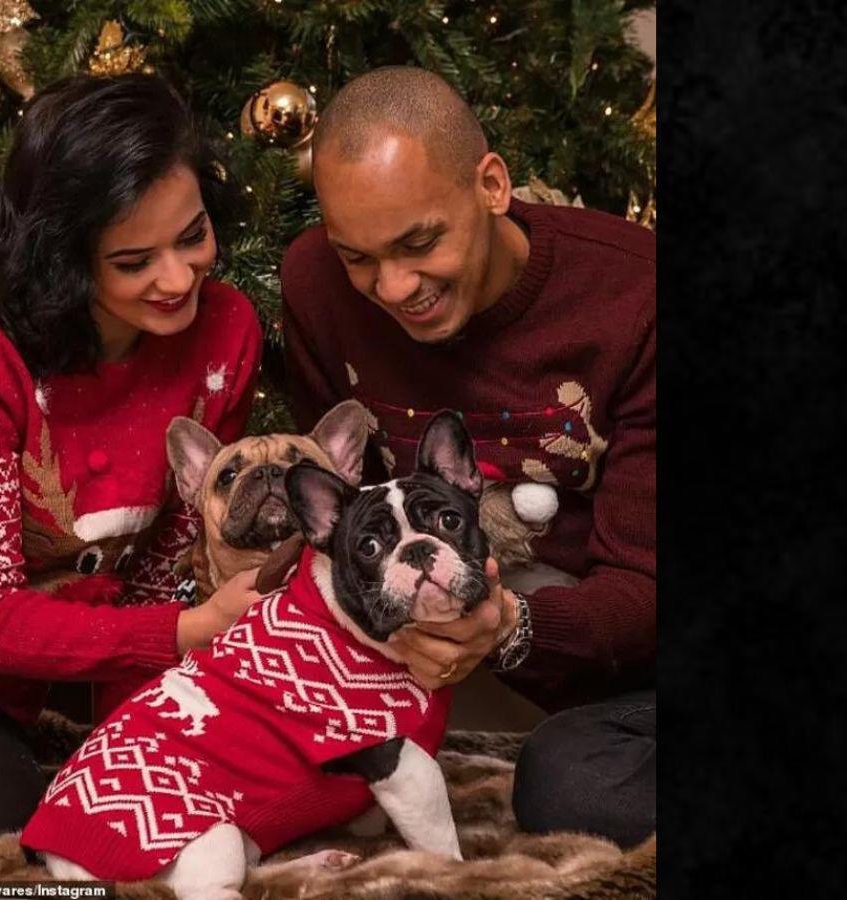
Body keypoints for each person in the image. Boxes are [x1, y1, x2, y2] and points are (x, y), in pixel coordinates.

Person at [281, 66, 656, 848]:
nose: (393, 286)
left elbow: (646, 585)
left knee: (571, 784)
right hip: (428, 644)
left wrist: (511, 629)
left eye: (420, 243)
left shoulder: (635, 294)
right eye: (357, 256)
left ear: (491, 185)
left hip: (615, 648)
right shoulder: (315, 284)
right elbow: (338, 507)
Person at [0, 73, 265, 863]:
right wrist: (182, 632)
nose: (179, 279)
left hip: (55, 675)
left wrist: (144, 719)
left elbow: (172, 560)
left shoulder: (227, 330)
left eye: (193, 236)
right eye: (134, 261)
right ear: (64, 259)